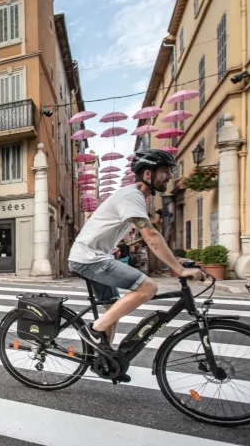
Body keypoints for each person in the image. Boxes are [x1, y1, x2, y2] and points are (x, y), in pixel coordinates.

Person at [68, 149, 204, 362]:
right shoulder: (132, 196)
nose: (169, 177)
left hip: (93, 256)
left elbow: (152, 238)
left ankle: (103, 357)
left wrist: (175, 261)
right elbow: (150, 234)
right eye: (165, 171)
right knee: (148, 287)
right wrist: (179, 270)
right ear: (148, 174)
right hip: (90, 258)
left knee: (112, 308)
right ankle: (93, 332)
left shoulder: (136, 197)